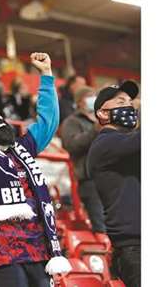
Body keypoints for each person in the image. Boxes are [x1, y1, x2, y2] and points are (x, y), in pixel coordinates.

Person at [0, 53, 71, 287]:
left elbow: (48, 123)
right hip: (3, 254)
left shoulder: (22, 147)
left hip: (39, 249)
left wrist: (47, 76)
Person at [87, 81, 140, 287]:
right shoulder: (104, 145)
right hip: (135, 248)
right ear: (102, 113)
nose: (131, 106)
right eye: (121, 101)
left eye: (131, 101)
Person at [61, 86, 105, 233]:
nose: (94, 99)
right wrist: (95, 130)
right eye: (90, 96)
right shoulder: (71, 122)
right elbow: (72, 144)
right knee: (101, 226)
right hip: (89, 178)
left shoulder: (102, 119)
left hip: (109, 176)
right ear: (80, 101)